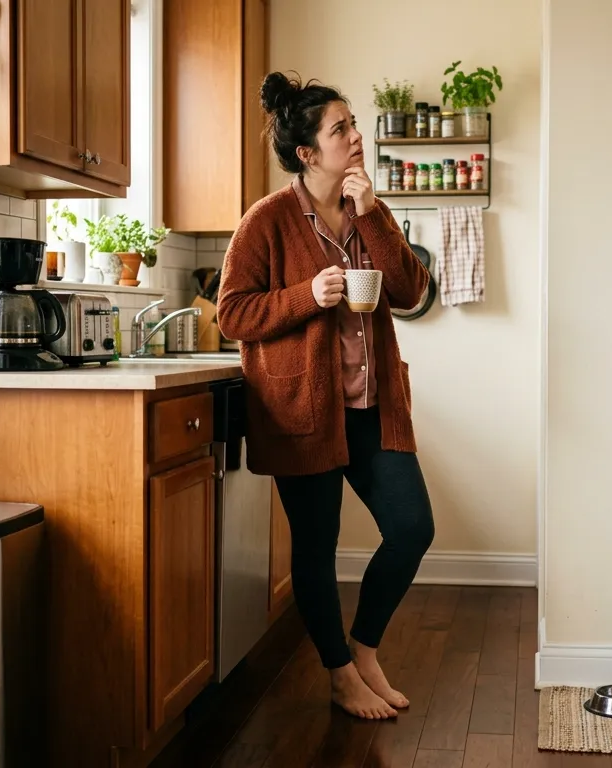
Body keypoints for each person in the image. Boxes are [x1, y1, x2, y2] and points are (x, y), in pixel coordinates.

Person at [217, 71, 435, 720]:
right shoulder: (266, 221)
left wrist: (374, 218)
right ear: (308, 153)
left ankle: (364, 649)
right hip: (303, 414)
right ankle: (340, 675)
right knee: (316, 549)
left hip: (372, 409)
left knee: (411, 528)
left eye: (353, 124)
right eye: (341, 129)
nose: (356, 136)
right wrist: (304, 297)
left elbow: (408, 290)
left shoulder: (370, 208)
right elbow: (232, 313)